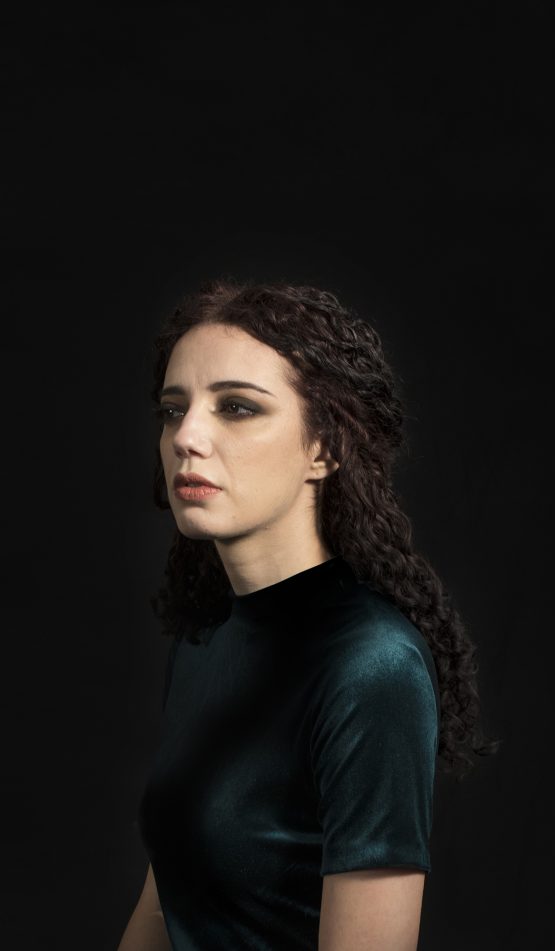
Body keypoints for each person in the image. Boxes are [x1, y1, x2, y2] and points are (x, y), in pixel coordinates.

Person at [117, 280, 499, 951]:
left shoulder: (372, 666)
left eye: (237, 407)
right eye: (174, 410)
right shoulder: (206, 640)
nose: (187, 436)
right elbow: (169, 893)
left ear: (324, 448)